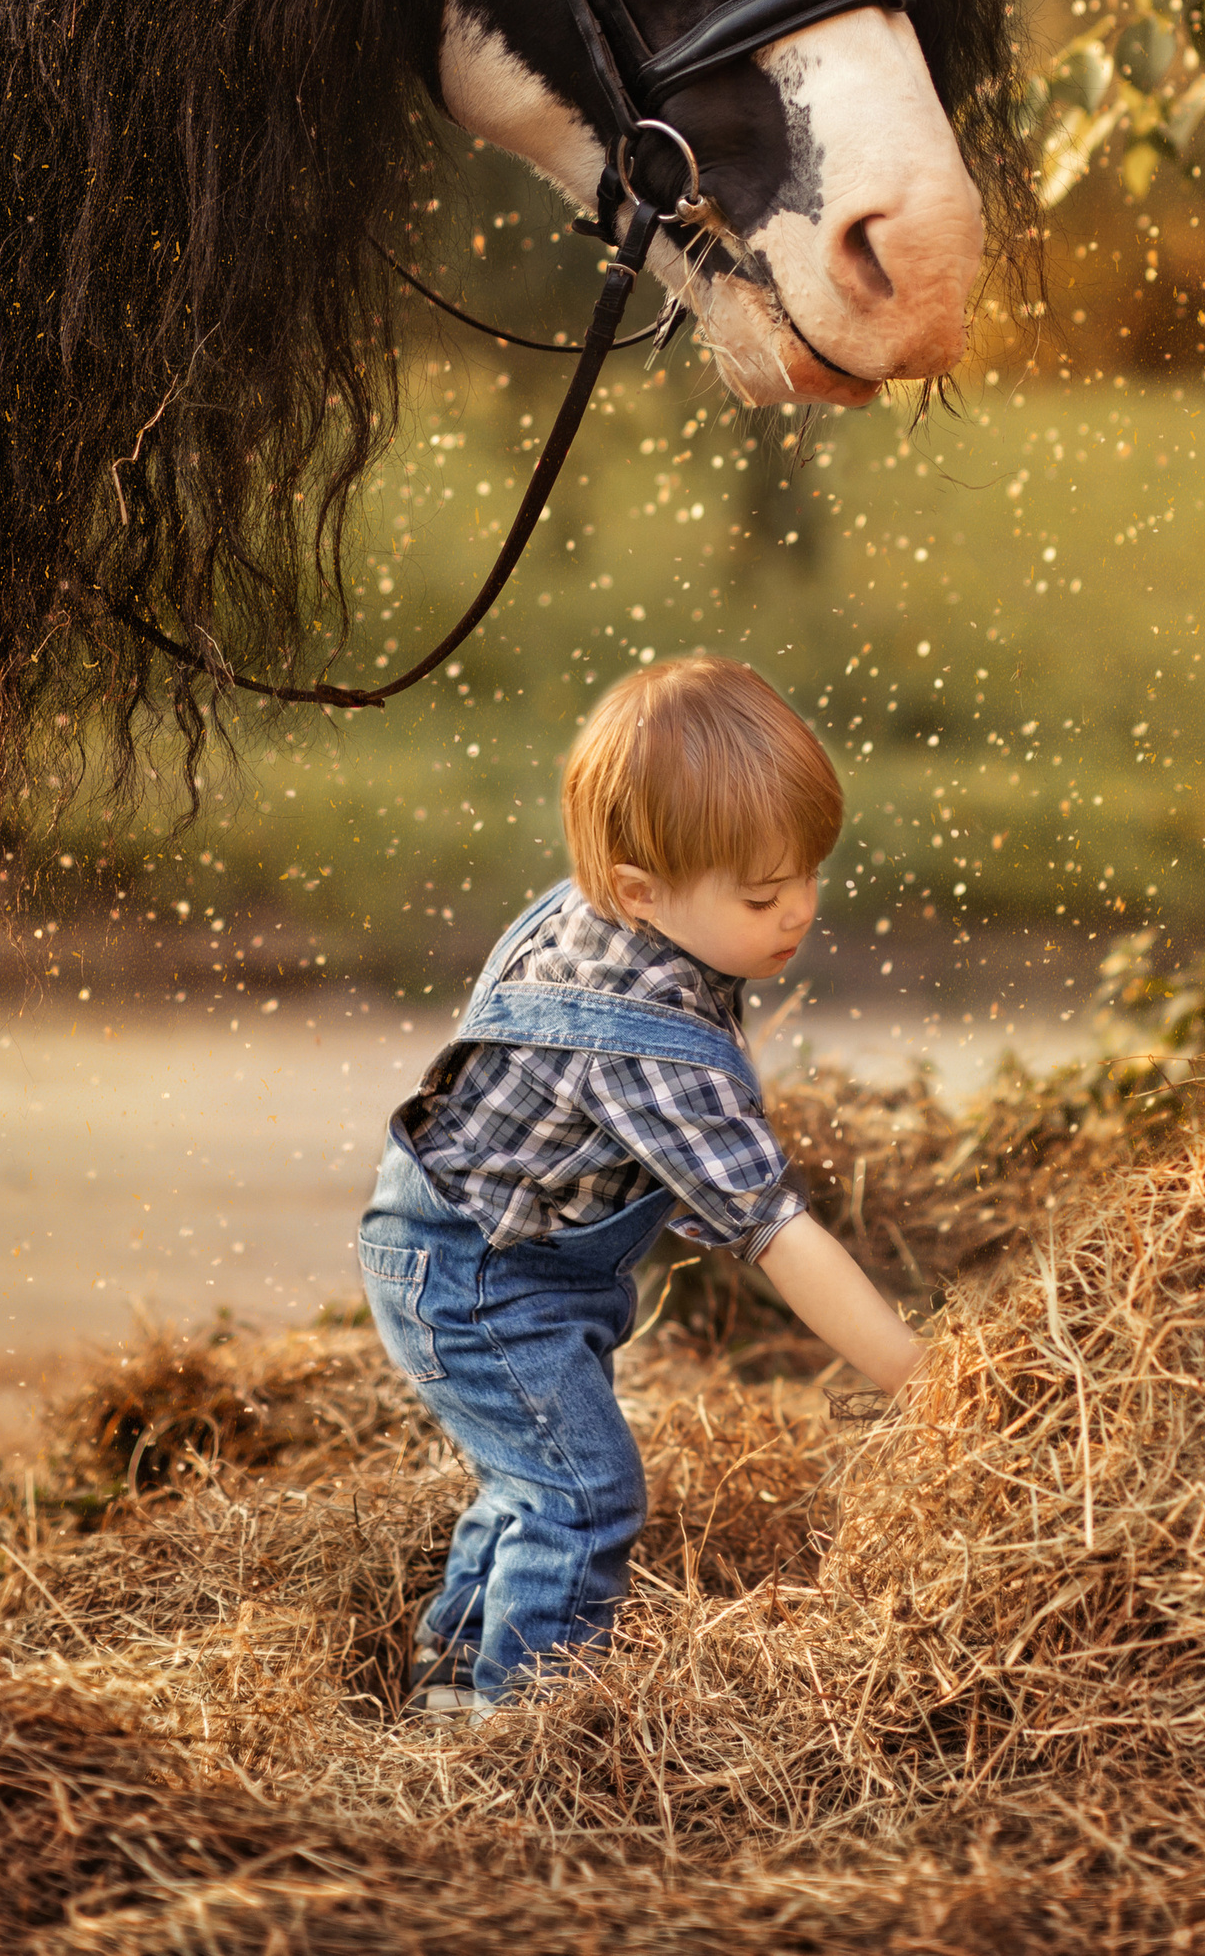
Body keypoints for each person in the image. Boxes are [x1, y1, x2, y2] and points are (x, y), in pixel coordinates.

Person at [356, 653, 924, 1718]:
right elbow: (772, 1228)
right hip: (474, 1281)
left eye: (807, 875)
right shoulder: (640, 1038)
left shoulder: (607, 911)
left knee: (531, 1475)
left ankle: (445, 1684)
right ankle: (521, 1725)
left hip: (485, 1250)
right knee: (583, 1494)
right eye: (762, 893)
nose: (797, 911)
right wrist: (916, 1373)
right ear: (636, 888)